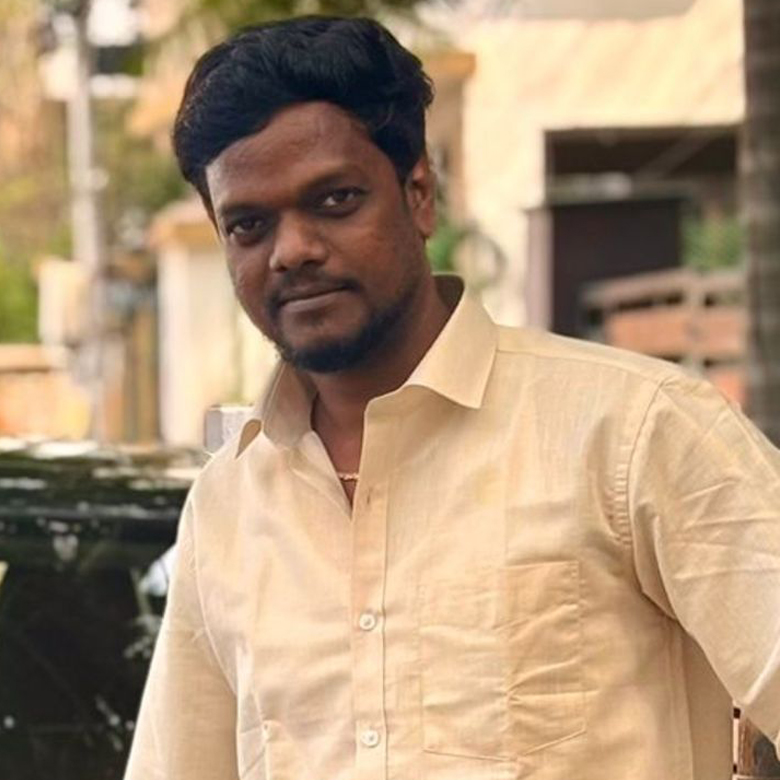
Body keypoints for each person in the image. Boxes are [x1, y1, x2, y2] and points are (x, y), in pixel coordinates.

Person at [124, 15, 780, 780]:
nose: (292, 250)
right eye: (249, 225)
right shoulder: (229, 507)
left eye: (334, 200)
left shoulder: (635, 432)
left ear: (419, 194)